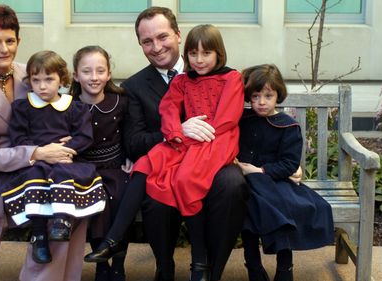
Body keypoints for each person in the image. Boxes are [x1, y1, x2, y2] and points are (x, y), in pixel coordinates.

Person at [84, 7, 250, 281]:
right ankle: (164, 268)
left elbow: (242, 115)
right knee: (155, 196)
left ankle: (210, 269)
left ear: (177, 35)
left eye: (162, 37)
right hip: (170, 155)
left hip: (215, 151)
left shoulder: (221, 73)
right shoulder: (135, 86)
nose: (156, 47)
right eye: (147, 41)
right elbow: (134, 142)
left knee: (232, 185)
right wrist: (175, 132)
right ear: (140, 44)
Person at [0, 4, 88, 280]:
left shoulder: (30, 73)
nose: (4, 49)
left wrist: (66, 141)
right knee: (52, 201)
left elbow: (57, 110)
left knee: (69, 198)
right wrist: (39, 153)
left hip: (44, 156)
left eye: (10, 40)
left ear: (19, 40)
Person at [0, 50, 107, 264]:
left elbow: (84, 136)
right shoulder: (23, 107)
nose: (43, 86)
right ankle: (38, 236)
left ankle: (62, 221)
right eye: (36, 80)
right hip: (36, 161)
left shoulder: (74, 107)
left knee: (64, 173)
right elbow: (17, 138)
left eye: (49, 79)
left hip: (66, 161)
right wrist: (43, 152)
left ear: (62, 79)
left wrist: (66, 150)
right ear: (30, 82)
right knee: (34, 177)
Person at [236, 64, 334, 281]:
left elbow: (289, 164)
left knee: (280, 207)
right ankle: (254, 266)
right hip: (244, 182)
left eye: (268, 96)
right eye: (255, 96)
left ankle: (284, 267)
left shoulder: (288, 126)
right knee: (247, 206)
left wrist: (260, 170)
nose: (261, 102)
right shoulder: (242, 119)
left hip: (274, 182)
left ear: (278, 95)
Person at [69, 45, 131, 281]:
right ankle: (101, 262)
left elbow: (129, 135)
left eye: (100, 71)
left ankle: (119, 264)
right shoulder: (69, 105)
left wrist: (130, 157)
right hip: (84, 168)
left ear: (108, 74)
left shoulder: (120, 102)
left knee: (121, 196)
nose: (94, 77)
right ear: (76, 75)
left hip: (115, 165)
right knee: (97, 202)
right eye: (86, 71)